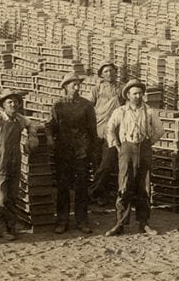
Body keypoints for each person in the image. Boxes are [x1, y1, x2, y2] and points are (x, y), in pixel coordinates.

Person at [104, 79, 164, 237]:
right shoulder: (121, 111)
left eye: (140, 93)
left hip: (143, 149)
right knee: (124, 186)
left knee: (144, 186)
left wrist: (148, 142)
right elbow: (109, 128)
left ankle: (144, 223)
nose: (138, 96)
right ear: (128, 95)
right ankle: (120, 224)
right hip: (126, 149)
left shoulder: (149, 111)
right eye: (134, 93)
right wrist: (117, 145)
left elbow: (159, 130)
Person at [0, 91, 40, 240]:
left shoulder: (19, 119)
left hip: (15, 161)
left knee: (13, 195)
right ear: (4, 105)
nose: (13, 105)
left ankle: (11, 227)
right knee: (1, 198)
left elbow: (32, 123)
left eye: (15, 102)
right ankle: (0, 229)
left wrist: (32, 135)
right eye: (9, 102)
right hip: (0, 162)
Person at [46, 72, 97, 234]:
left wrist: (90, 149)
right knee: (63, 187)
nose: (77, 87)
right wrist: (49, 138)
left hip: (81, 151)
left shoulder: (87, 106)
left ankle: (82, 221)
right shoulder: (58, 105)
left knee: (82, 187)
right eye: (73, 85)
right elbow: (50, 125)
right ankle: (62, 220)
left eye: (78, 84)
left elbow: (92, 131)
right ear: (65, 87)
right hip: (63, 152)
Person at [87, 62, 122, 204]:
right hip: (97, 130)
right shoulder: (97, 89)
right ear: (101, 74)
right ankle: (100, 195)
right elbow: (88, 107)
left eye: (111, 71)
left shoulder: (121, 89)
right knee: (97, 163)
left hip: (113, 131)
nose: (109, 74)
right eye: (106, 71)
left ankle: (91, 192)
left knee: (107, 164)